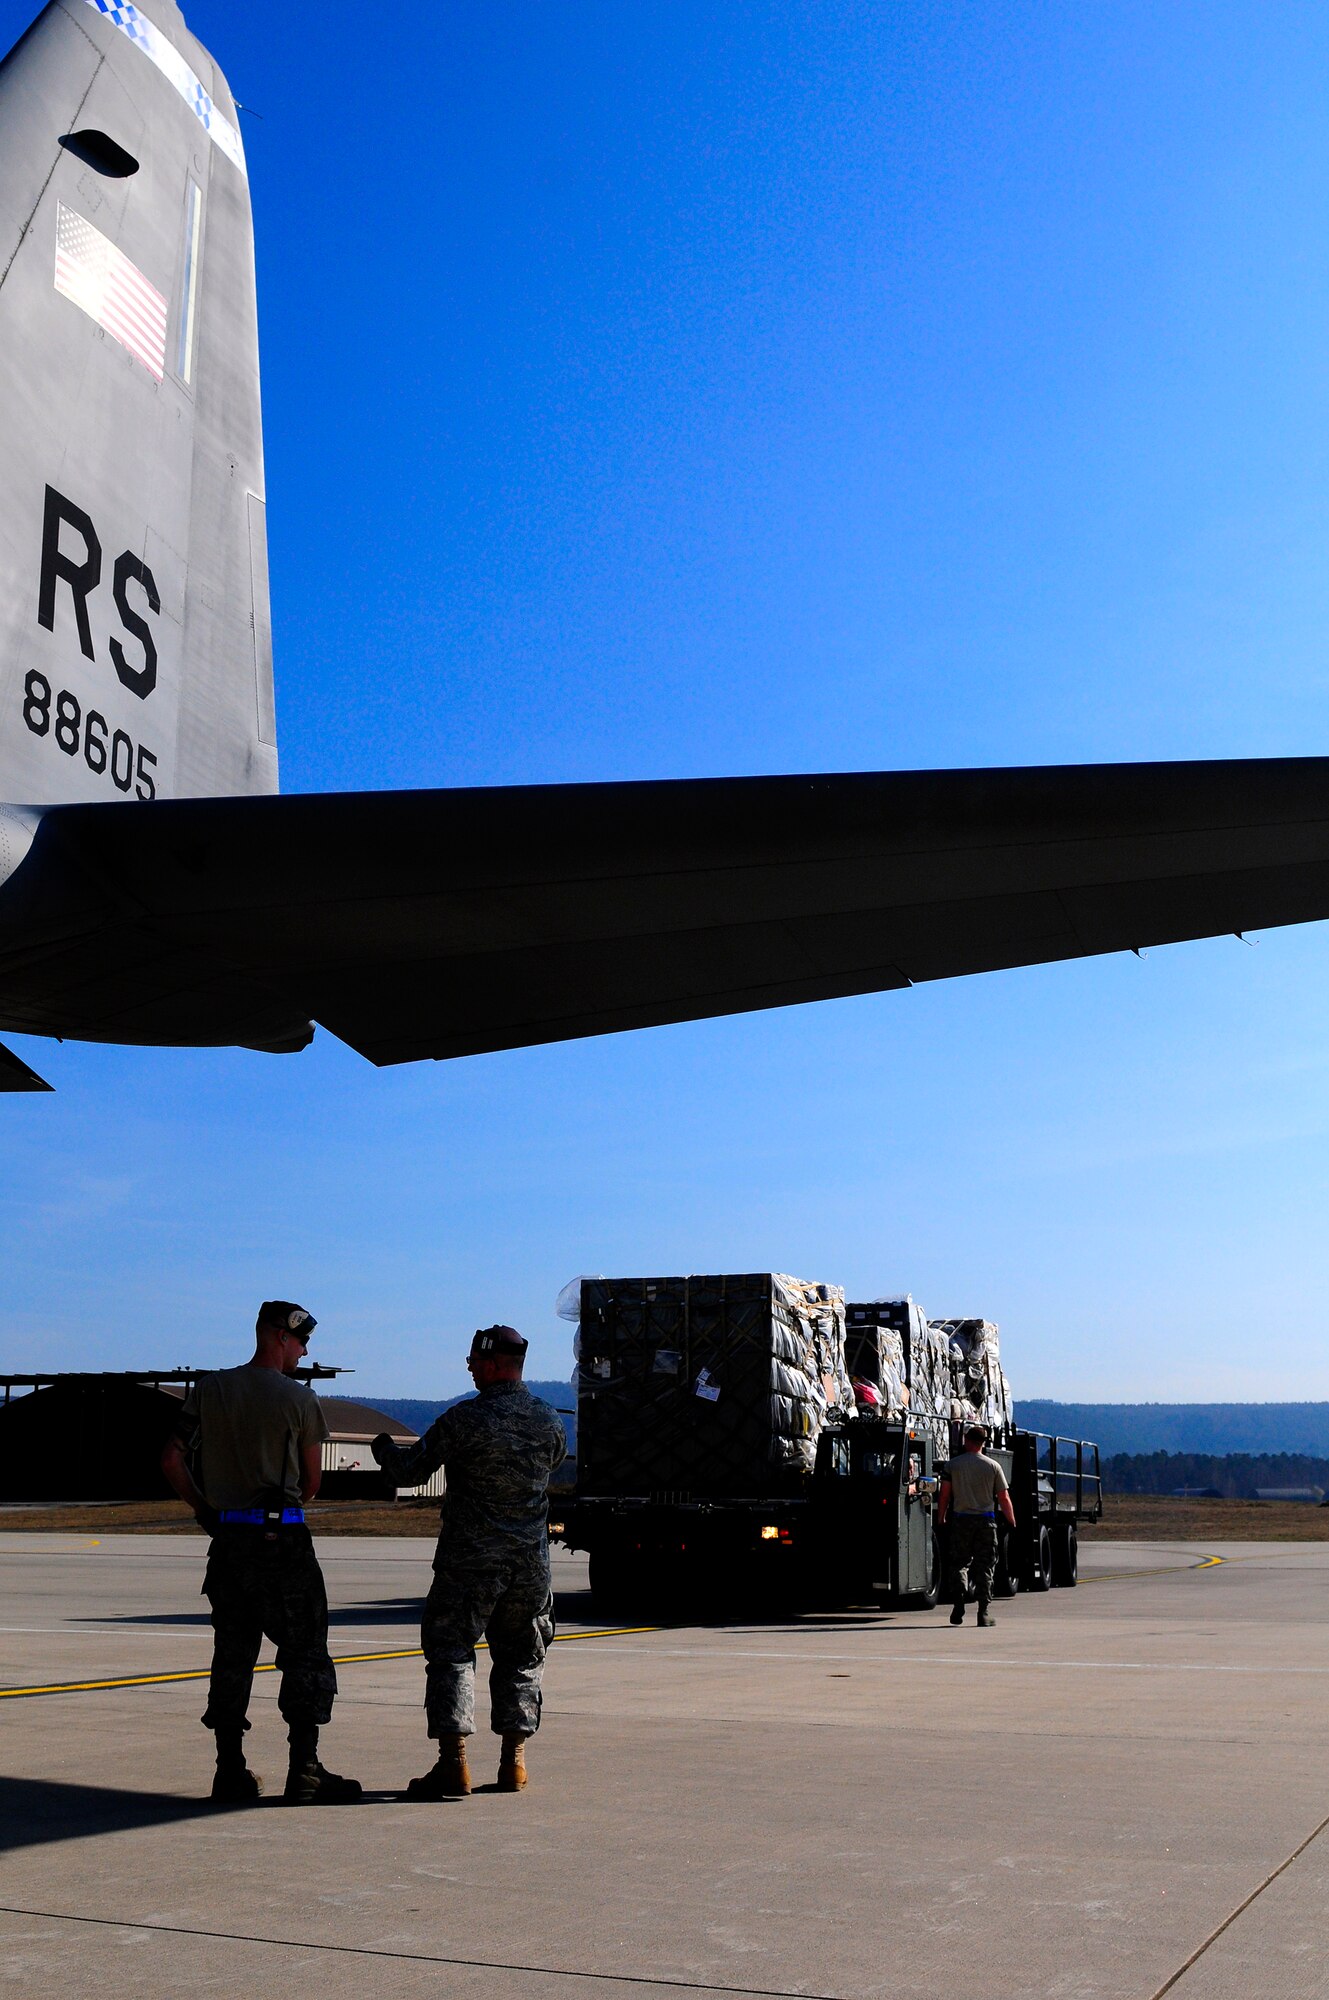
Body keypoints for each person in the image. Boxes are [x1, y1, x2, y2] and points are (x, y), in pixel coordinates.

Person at [160, 1301, 361, 1806]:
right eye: (301, 1341)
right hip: (282, 1542)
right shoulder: (298, 1400)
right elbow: (312, 1482)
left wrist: (206, 1510)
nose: (305, 1350)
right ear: (278, 1337)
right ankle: (305, 1769)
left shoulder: (210, 1390)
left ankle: (229, 1769)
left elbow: (171, 1458)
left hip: (228, 1542)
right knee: (306, 1654)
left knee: (232, 1655)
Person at [372, 1325, 567, 1798]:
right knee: (522, 1656)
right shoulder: (549, 1423)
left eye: (476, 1361)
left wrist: (382, 1448)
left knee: (452, 1652)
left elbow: (409, 1471)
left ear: (498, 1365)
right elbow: (554, 1463)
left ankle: (453, 1763)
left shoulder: (463, 1421)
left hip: (469, 1563)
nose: (469, 1367)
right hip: (529, 1567)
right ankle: (513, 1763)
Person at [937, 1422, 1016, 1628]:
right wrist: (1011, 1520)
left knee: (959, 1564)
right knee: (985, 1566)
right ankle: (983, 1612)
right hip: (986, 1521)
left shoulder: (952, 1465)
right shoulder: (993, 1466)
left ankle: (959, 1603)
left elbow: (944, 1494)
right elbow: (1004, 1497)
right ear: (982, 1443)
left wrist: (941, 1517)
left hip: (961, 1519)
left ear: (966, 1441)